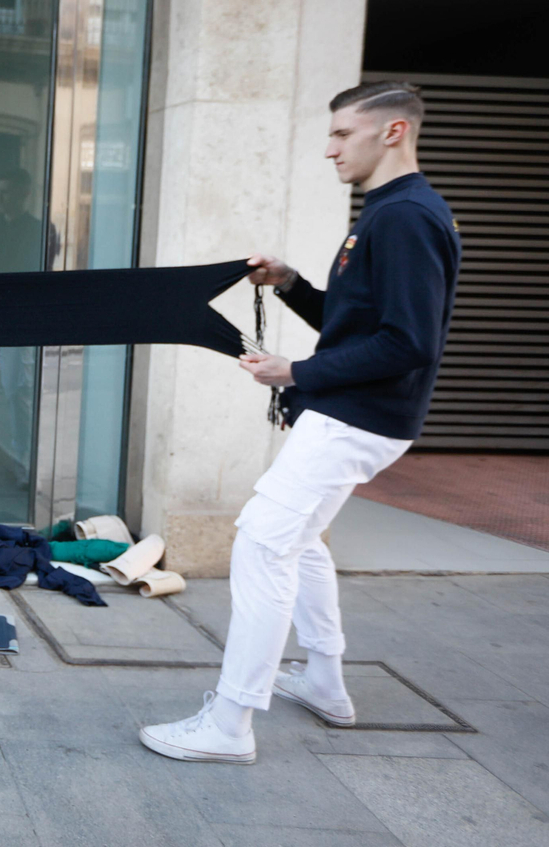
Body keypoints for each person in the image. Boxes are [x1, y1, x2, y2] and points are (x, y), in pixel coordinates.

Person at [139, 82, 461, 764]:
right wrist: (290, 284)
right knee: (301, 539)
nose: (329, 148)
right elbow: (357, 325)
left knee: (261, 541)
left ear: (394, 131)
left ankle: (229, 725)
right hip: (354, 413)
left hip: (358, 418)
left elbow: (410, 342)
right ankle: (323, 682)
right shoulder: (386, 213)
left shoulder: (406, 217)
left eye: (344, 133)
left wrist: (297, 373)